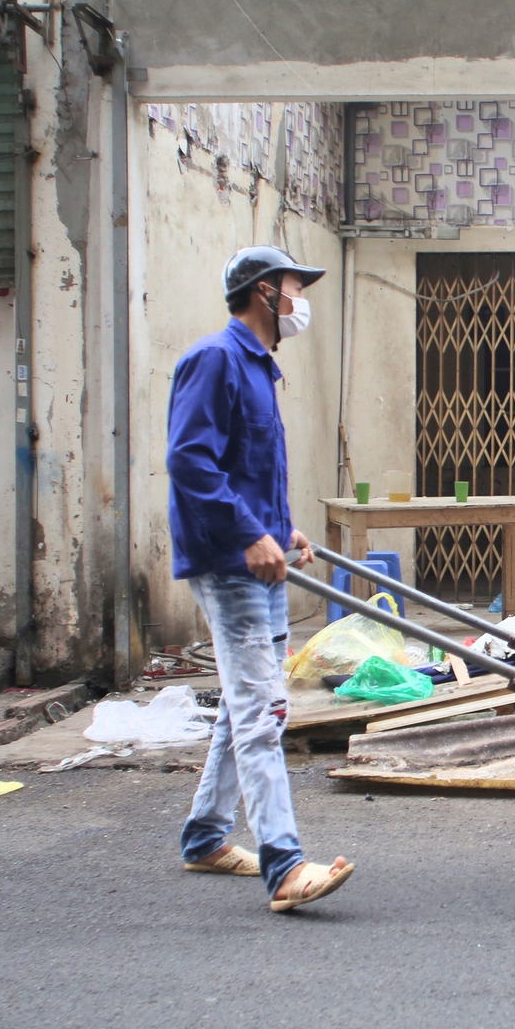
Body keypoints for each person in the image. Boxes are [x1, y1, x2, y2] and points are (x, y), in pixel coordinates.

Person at [167, 245, 355, 913]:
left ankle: (205, 838)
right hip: (229, 563)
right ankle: (285, 865)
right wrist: (250, 535)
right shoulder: (216, 360)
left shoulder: (258, 370)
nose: (301, 300)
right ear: (262, 294)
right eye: (293, 288)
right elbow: (191, 462)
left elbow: (246, 471)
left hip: (254, 554)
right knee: (263, 710)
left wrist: (282, 527)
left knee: (247, 700)